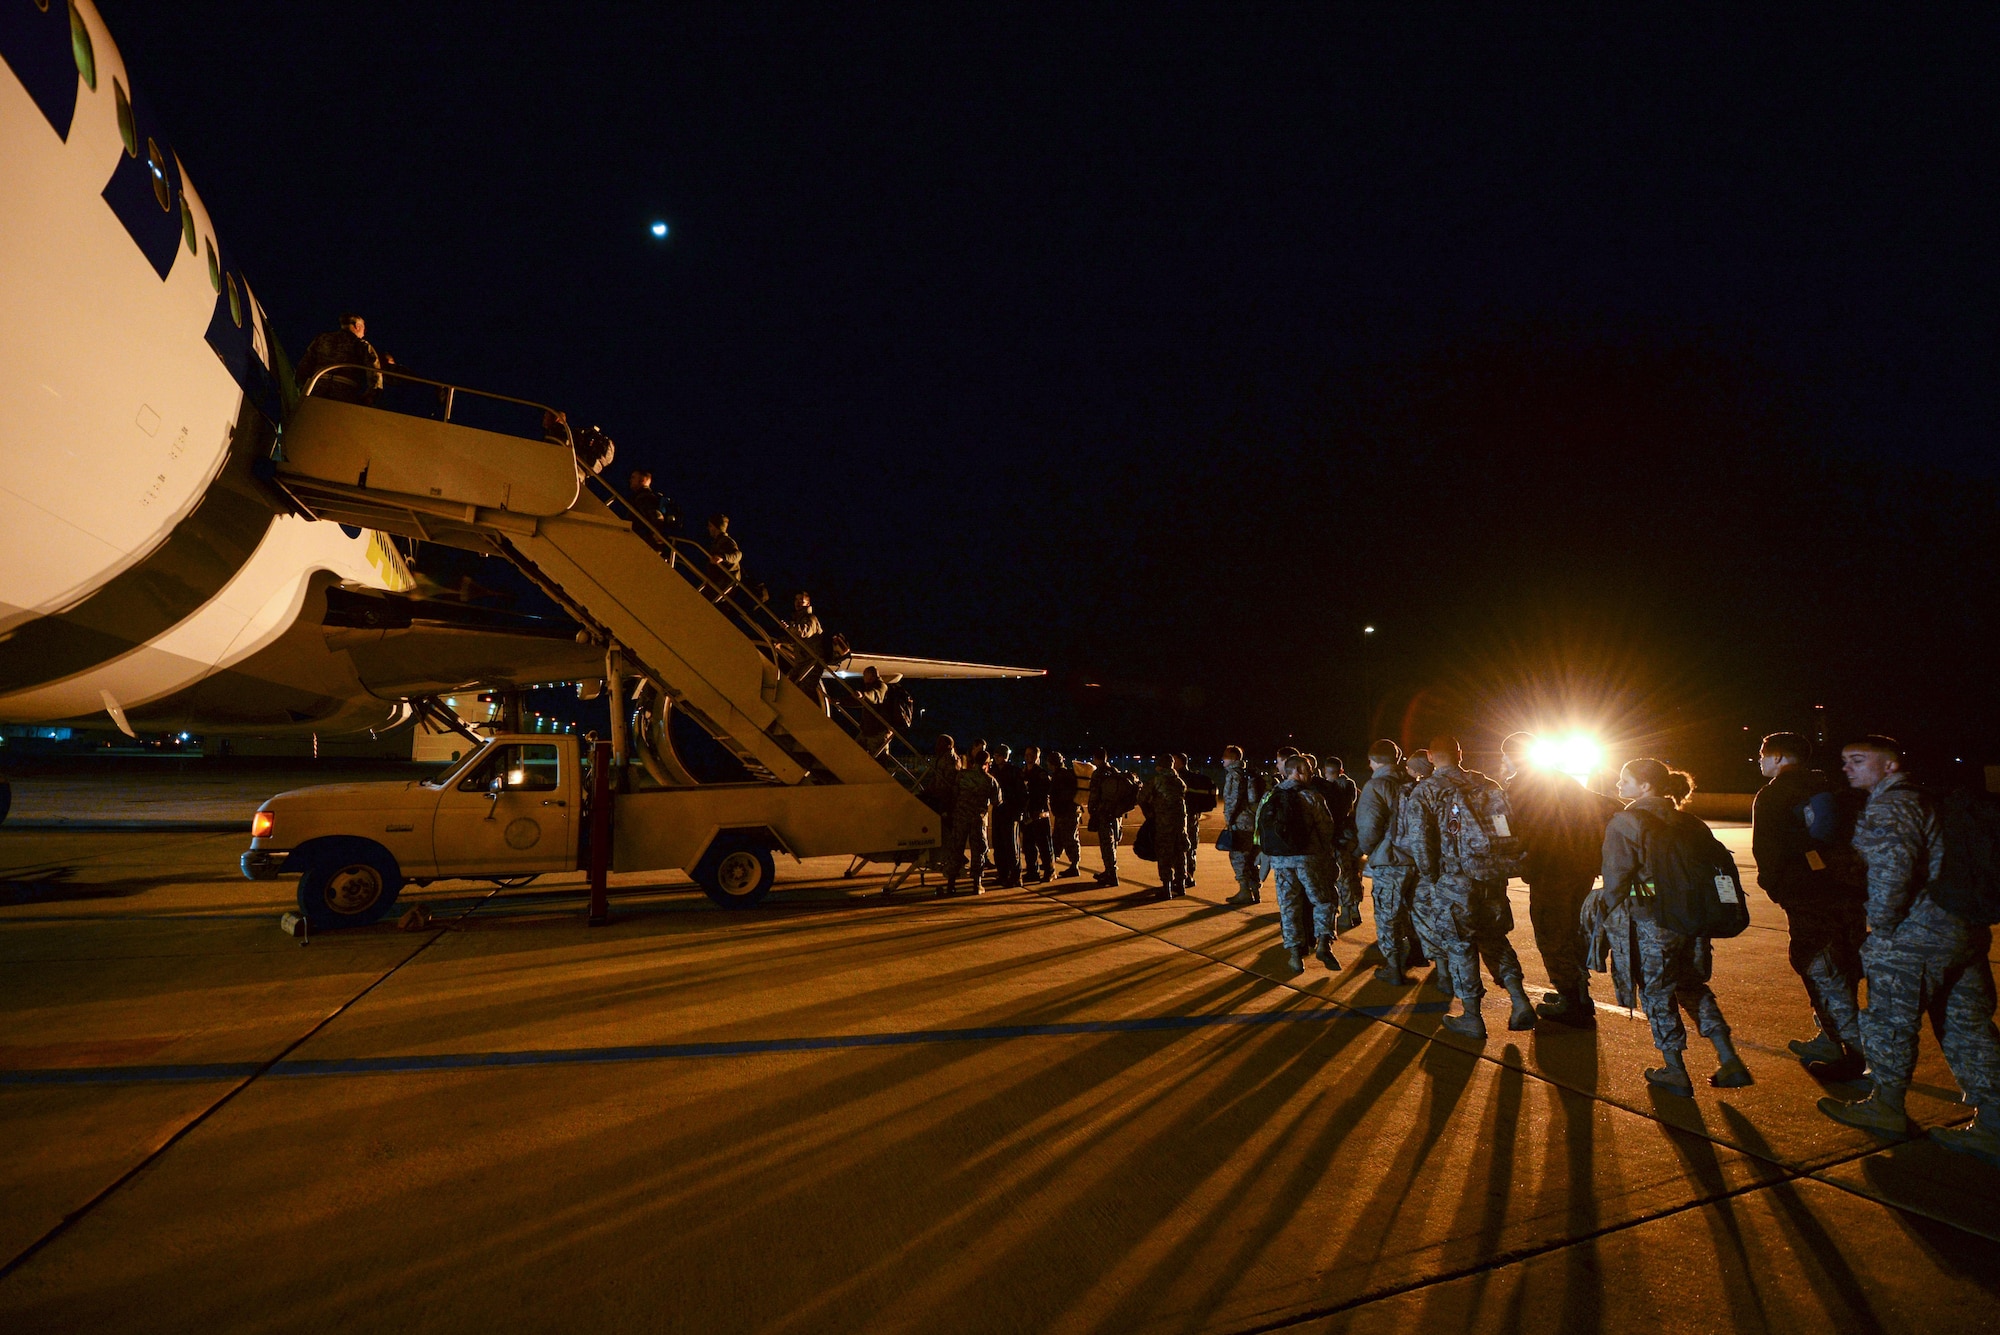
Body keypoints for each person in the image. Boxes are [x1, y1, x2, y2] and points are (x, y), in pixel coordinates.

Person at [1820, 737, 2000, 1164]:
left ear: (1890, 766)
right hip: (1962, 929)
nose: (1848, 767)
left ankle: (1886, 1106)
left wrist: (1879, 928)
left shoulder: (1891, 804)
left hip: (1914, 935)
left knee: (1889, 1023)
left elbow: (1892, 873)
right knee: (1968, 1026)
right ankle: (1994, 1122)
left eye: (1859, 760)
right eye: (1845, 760)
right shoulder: (1932, 798)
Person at [1593, 758, 1752, 1093]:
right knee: (1692, 987)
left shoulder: (1625, 822)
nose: (1619, 785)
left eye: (1626, 779)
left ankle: (1674, 1069)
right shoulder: (1690, 821)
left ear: (1645, 786)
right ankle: (1729, 1058)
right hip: (1692, 922)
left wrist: (1600, 909)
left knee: (1657, 992)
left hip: (1653, 923)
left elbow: (1617, 880)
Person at [1403, 735, 1537, 1040]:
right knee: (1494, 937)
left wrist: (1432, 877)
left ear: (1430, 756)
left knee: (1460, 945)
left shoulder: (1427, 790)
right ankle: (1519, 1000)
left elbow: (1421, 842)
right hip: (1491, 877)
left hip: (1454, 880)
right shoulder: (1485, 783)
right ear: (1460, 752)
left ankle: (1472, 1017)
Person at [1752, 731, 1868, 1078]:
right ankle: (1829, 1037)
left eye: (1763, 755)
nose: (1760, 761)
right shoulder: (1831, 786)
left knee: (1817, 965)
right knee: (1843, 963)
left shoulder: (1774, 794)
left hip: (1806, 894)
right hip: (1846, 890)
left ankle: (1853, 1051)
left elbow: (1767, 851)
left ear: (1778, 758)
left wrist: (1775, 887)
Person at [1500, 731, 1623, 1028]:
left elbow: (1513, 832)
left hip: (1551, 871)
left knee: (1552, 934)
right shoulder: (1563, 780)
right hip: (1580, 869)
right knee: (1573, 931)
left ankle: (1572, 1001)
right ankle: (1578, 993)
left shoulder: (1521, 787)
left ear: (1510, 757)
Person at [1259, 755, 1342, 974]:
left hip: (1281, 862)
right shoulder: (1311, 797)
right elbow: (1326, 829)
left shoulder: (1270, 796)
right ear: (1296, 770)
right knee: (1323, 900)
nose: (1312, 774)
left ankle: (1295, 956)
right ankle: (1324, 943)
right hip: (1309, 859)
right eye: (1308, 770)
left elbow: (1261, 830)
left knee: (1289, 907)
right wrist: (1324, 854)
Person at [1356, 739, 1425, 984]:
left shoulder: (1376, 786)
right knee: (1416, 910)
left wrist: (1369, 851)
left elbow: (1368, 827)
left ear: (1373, 760)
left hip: (1390, 859)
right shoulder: (1413, 783)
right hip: (1417, 859)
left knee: (1388, 914)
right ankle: (1420, 954)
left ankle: (1394, 966)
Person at [295, 313, 390, 403]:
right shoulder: (361, 345)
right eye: (363, 329)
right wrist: (372, 395)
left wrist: (302, 386)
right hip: (345, 391)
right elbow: (374, 371)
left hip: (317, 388)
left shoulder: (321, 339)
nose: (363, 334)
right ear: (357, 326)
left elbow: (305, 364)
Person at [945, 747, 1002, 896]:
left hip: (960, 818)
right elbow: (997, 802)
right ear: (987, 763)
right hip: (978, 820)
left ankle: (951, 884)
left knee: (956, 849)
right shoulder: (990, 780)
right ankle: (977, 884)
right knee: (979, 852)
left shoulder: (962, 776)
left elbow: (954, 794)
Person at [1220, 745, 1267, 906]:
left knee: (1238, 857)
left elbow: (1232, 800)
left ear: (1233, 758)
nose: (1223, 759)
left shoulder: (1234, 775)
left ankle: (1244, 891)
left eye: (1225, 756)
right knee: (1251, 857)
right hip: (1252, 821)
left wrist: (1229, 820)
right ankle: (1255, 890)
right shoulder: (1248, 774)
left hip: (1240, 822)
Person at [1142, 754, 1190, 900]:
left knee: (1164, 855)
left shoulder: (1156, 781)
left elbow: (1141, 798)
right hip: (1180, 823)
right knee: (1180, 853)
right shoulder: (1179, 782)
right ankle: (1181, 885)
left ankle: (1166, 888)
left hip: (1163, 823)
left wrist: (1150, 814)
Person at [1087, 747, 1129, 886]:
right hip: (1115, 814)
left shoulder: (1098, 773)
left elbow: (1094, 794)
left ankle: (1111, 874)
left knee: (1106, 844)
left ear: (1096, 758)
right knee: (1113, 843)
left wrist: (1092, 810)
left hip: (1103, 813)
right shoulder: (1114, 771)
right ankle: (1110, 870)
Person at [991, 744, 1027, 888]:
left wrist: (1019, 812)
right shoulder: (993, 771)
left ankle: (1016, 876)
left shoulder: (1014, 772)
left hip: (1010, 812)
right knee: (998, 845)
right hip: (998, 812)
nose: (997, 758)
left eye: (999, 755)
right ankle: (1003, 874)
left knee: (1012, 846)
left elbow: (1023, 794)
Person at [1019, 745, 1054, 883]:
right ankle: (1032, 871)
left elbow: (1043, 794)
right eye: (1026, 754)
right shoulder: (1023, 773)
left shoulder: (1041, 774)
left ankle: (1049, 871)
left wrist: (1036, 812)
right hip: (1027, 816)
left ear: (1037, 756)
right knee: (1028, 846)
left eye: (1031, 754)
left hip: (1039, 815)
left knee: (1044, 846)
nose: (1028, 757)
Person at [1179, 753, 1213, 890]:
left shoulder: (1181, 779)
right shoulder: (1193, 778)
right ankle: (1187, 875)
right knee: (1190, 847)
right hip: (1192, 817)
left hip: (1186, 817)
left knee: (1186, 847)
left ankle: (1185, 876)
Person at [1048, 751, 1083, 878]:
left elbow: (1063, 794)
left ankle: (1074, 866)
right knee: (1057, 838)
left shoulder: (1061, 775)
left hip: (1067, 812)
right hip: (1064, 812)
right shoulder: (1064, 773)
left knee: (1070, 838)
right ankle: (1051, 861)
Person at [705, 515, 742, 589]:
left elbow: (738, 554)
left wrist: (722, 557)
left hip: (725, 583)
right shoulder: (718, 541)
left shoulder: (726, 541)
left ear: (716, 527)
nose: (708, 528)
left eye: (710, 526)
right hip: (720, 582)